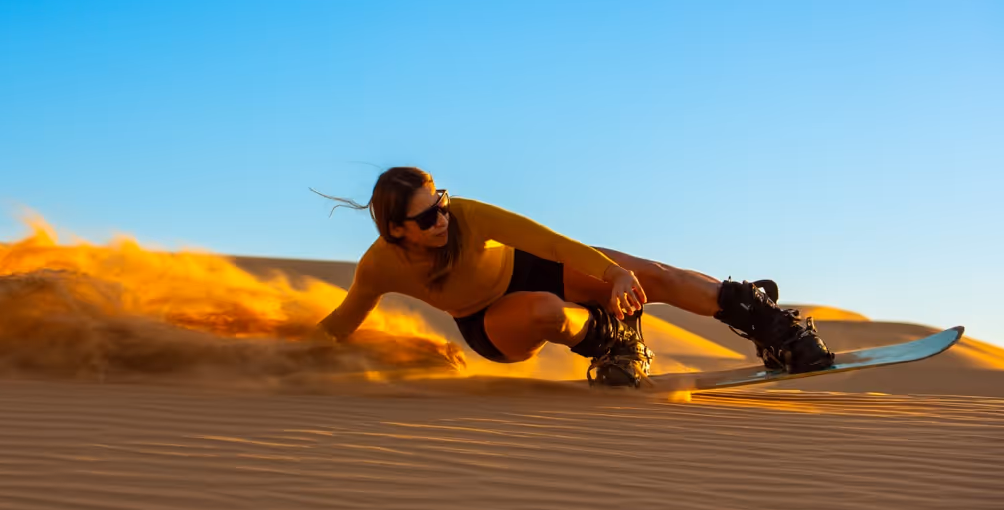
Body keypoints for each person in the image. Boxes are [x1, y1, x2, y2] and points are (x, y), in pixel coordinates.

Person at [316, 167, 834, 386]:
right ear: (397, 230)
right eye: (428, 217)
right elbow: (342, 322)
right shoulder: (379, 266)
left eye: (442, 202)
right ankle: (614, 343)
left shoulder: (469, 217)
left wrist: (616, 274)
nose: (442, 219)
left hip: (531, 264)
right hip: (492, 321)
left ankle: (776, 330)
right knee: (545, 310)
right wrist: (293, 356)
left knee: (650, 275)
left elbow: (550, 243)